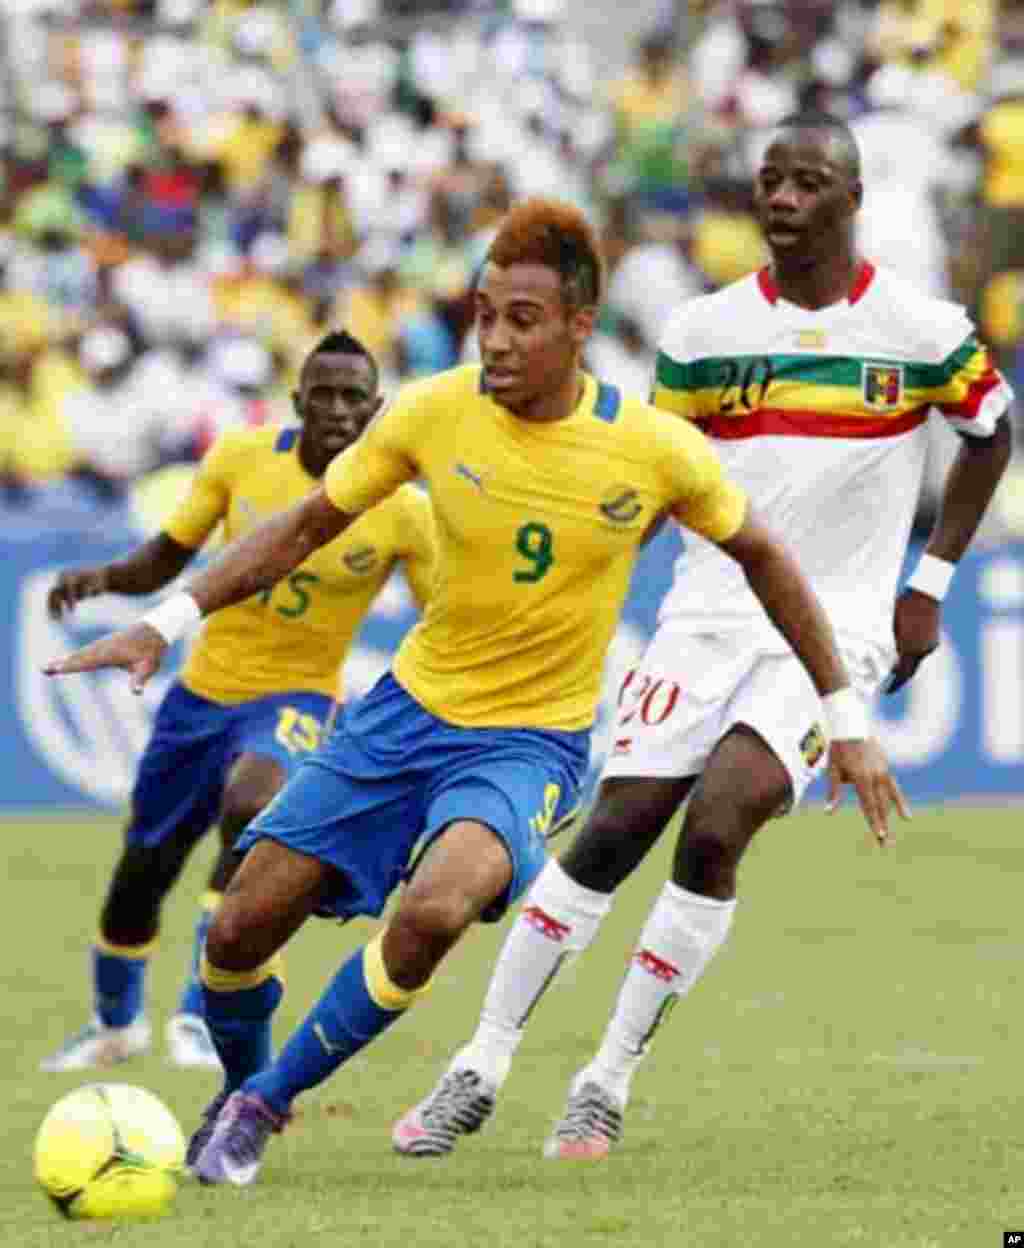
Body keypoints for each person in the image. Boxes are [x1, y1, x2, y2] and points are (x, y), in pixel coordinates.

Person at [45, 196, 902, 1188]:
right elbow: (304, 527)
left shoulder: (652, 448)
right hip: (402, 715)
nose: (494, 339)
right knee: (236, 930)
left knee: (438, 908)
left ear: (579, 326)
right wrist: (164, 622)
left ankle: (261, 1104)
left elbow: (765, 557)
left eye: (521, 320)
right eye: (485, 315)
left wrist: (843, 715)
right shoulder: (431, 410)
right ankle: (242, 1090)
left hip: (528, 745)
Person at [393, 115, 1014, 1162]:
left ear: (852, 200)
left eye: (806, 182)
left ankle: (605, 1080)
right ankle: (480, 1063)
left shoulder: (922, 330)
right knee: (612, 831)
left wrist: (931, 582)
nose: (782, 199)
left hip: (837, 629)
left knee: (719, 825)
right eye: (770, 180)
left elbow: (991, 434)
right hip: (705, 617)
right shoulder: (701, 333)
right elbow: (650, 478)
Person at [41, 330, 436, 1073]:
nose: (338, 409)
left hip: (298, 698)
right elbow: (168, 555)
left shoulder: (403, 512)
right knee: (145, 867)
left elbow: (439, 618)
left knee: (255, 805)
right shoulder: (239, 458)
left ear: (376, 408)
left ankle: (200, 1011)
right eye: (324, 393)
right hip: (200, 697)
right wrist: (104, 580)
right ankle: (115, 1024)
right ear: (297, 399)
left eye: (354, 397)